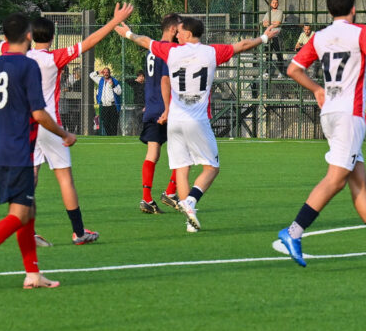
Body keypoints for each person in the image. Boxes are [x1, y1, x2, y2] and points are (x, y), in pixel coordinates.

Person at [0, 0, 133, 245]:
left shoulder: (19, 55)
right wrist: (114, 21)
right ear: (52, 38)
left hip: (27, 128)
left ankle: (28, 231)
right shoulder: (55, 57)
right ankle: (78, 231)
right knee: (65, 178)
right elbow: (90, 41)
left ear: (30, 36)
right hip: (50, 124)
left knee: (30, 177)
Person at [276, 0, 366, 267]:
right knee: (335, 179)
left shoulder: (319, 36)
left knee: (359, 185)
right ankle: (293, 231)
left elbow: (293, 69)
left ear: (329, 11)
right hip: (348, 116)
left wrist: (317, 89)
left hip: (330, 113)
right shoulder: (359, 32)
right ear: (353, 10)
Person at [0, 13, 77, 292]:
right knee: (19, 214)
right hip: (18, 148)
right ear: (29, 36)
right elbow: (39, 114)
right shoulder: (28, 66)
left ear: (6, 37)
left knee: (28, 211)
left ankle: (33, 274)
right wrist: (64, 134)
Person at [116, 16, 278, 232]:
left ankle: (189, 215)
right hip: (197, 119)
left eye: (181, 31)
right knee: (211, 168)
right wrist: (264, 38)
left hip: (175, 120)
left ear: (189, 34)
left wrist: (128, 34)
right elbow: (243, 45)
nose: (178, 34)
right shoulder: (211, 52)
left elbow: (145, 41)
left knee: (182, 169)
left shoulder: (171, 51)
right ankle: (191, 202)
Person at [137, 13, 181, 214]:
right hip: (167, 108)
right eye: (180, 28)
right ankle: (170, 193)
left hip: (152, 107)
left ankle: (146, 199)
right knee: (184, 152)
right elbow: (165, 80)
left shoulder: (151, 51)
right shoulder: (168, 50)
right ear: (173, 29)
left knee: (153, 153)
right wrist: (167, 108)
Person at [90, 67, 122, 136]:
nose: (106, 74)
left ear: (109, 73)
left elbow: (119, 92)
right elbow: (91, 75)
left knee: (113, 124)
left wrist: (113, 85)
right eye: (104, 72)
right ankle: (109, 136)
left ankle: (113, 138)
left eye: (107, 72)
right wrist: (98, 72)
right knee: (105, 123)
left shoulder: (114, 81)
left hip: (113, 106)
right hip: (104, 105)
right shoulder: (100, 80)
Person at [262, 0, 286, 77]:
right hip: (269, 36)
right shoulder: (268, 13)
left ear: (278, 4)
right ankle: (267, 72)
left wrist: (269, 22)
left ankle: (281, 72)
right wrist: (273, 23)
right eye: (273, 2)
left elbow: (278, 23)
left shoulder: (280, 12)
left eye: (276, 2)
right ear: (270, 4)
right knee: (268, 54)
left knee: (278, 54)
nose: (275, 4)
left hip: (276, 36)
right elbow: (264, 23)